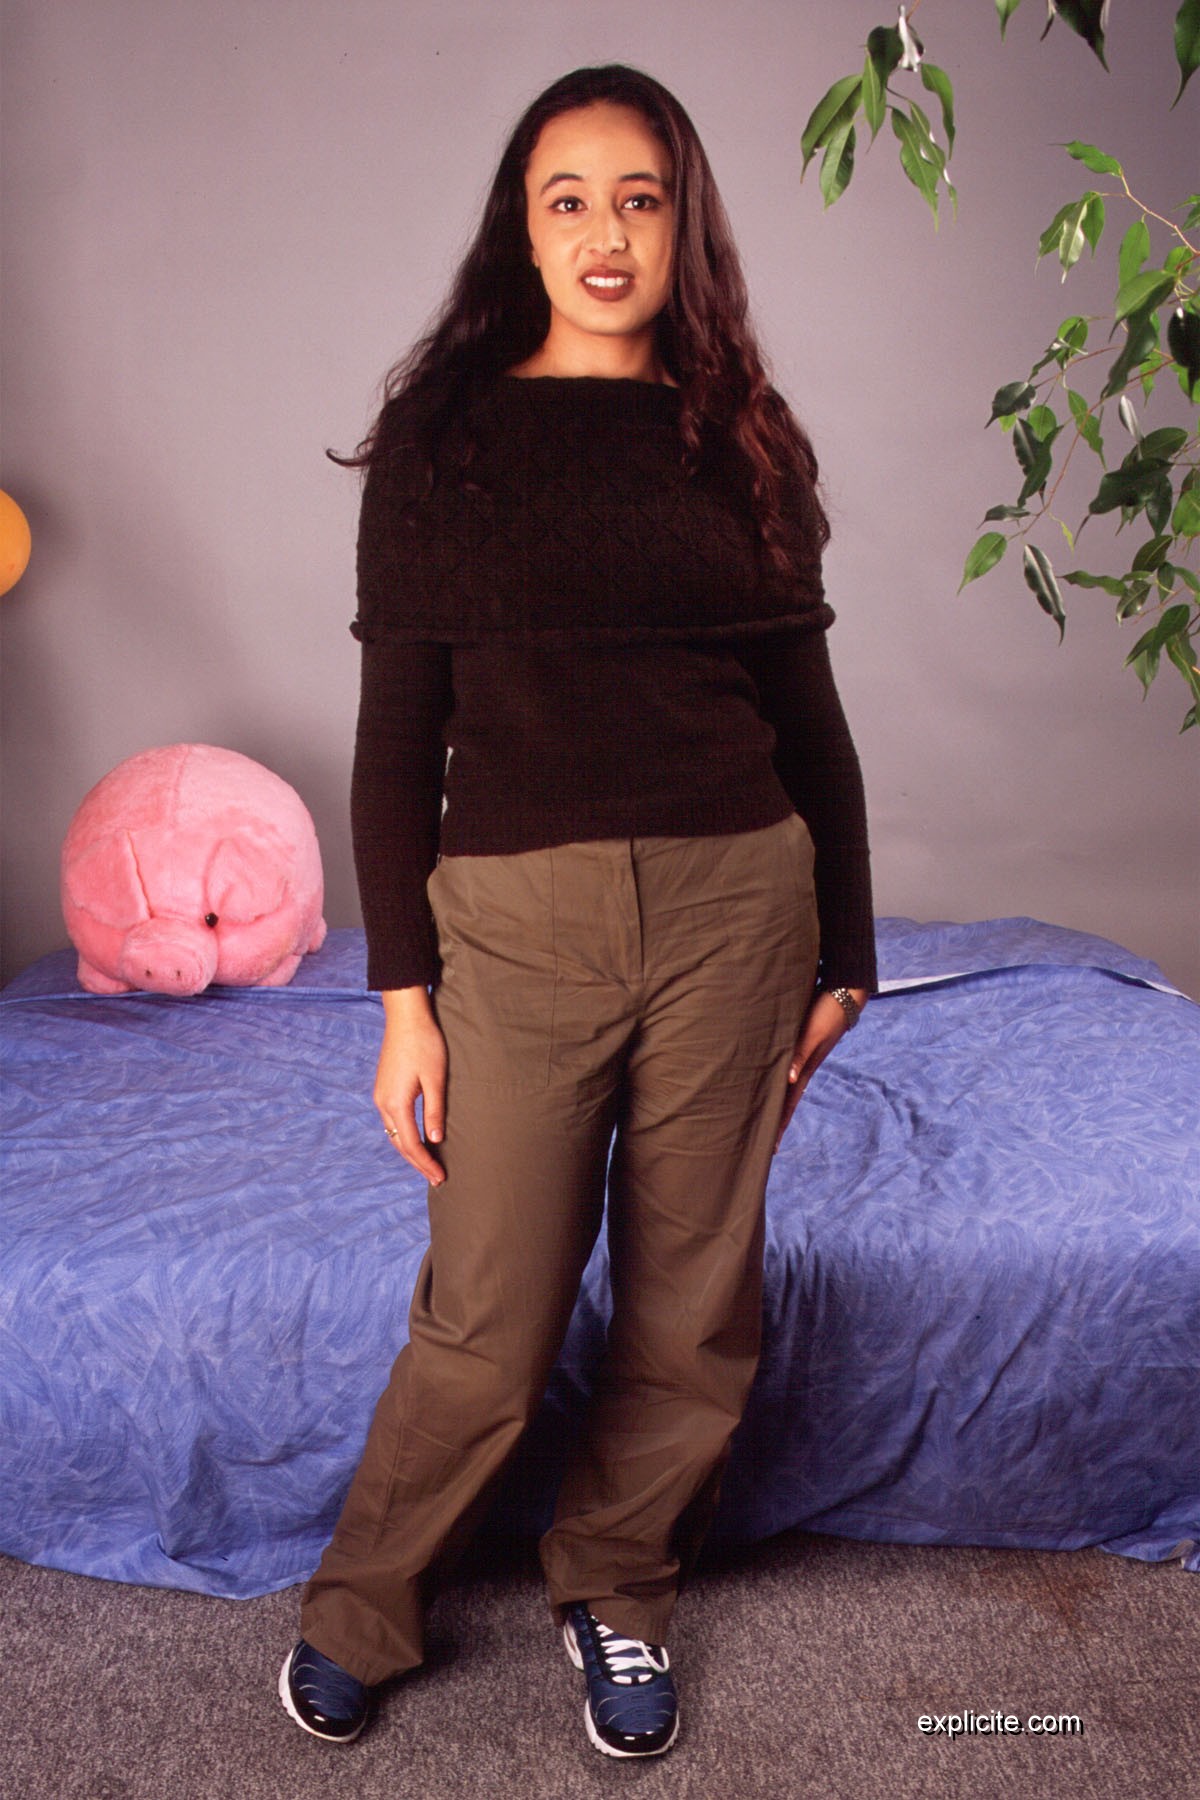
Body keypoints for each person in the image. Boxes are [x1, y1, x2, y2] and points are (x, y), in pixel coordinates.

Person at [278, 62, 876, 1759]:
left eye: (640, 198)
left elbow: (811, 719)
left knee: (694, 1308)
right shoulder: (444, 445)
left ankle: (619, 1588)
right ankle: (363, 1606)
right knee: (490, 1317)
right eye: (570, 200)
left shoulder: (742, 438)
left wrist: (849, 954)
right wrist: (404, 999)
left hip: (736, 910)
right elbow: (397, 742)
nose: (606, 234)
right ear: (522, 231)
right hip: (519, 930)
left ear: (684, 227)